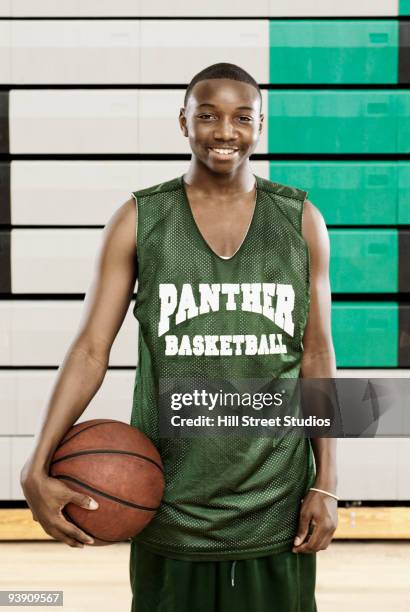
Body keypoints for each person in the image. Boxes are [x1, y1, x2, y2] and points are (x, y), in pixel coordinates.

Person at [21, 62, 338, 611]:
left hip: (276, 503)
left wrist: (327, 481)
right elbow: (90, 350)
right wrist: (36, 461)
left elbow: (316, 353)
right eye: (208, 115)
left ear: (261, 125)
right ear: (183, 121)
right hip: (168, 500)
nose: (224, 131)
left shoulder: (300, 219)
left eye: (242, 117)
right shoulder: (139, 219)